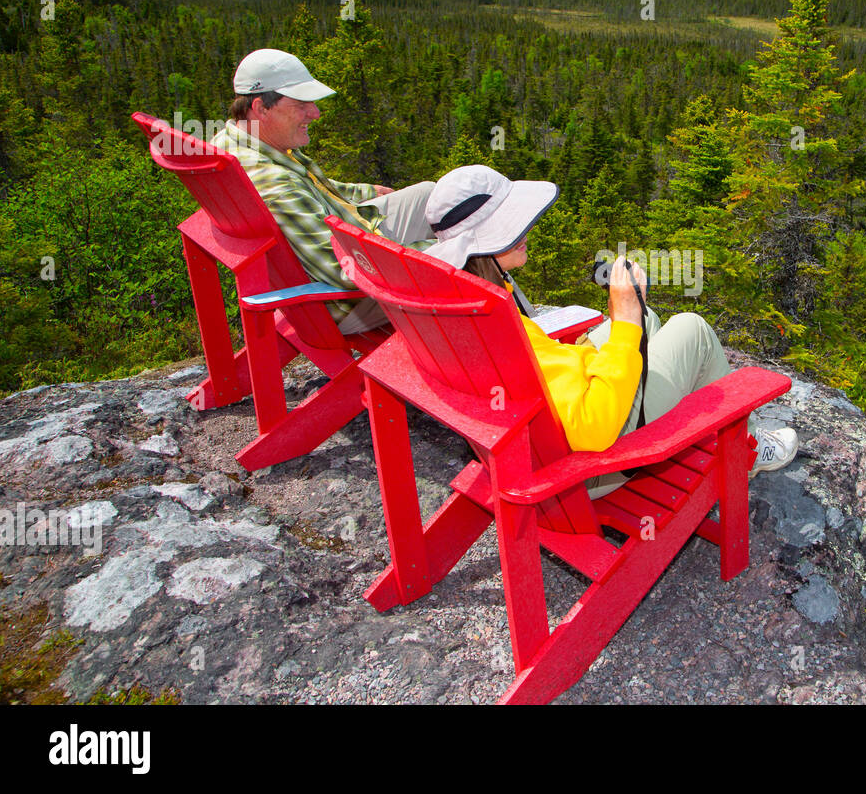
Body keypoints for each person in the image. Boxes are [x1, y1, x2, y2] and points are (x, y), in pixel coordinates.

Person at [421, 164, 799, 494]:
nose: (526, 229)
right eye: (509, 225)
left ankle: (686, 415)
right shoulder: (500, 322)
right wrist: (624, 319)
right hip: (582, 470)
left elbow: (542, 370)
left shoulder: (460, 304)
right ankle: (745, 450)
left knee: (648, 321)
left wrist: (604, 338)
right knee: (691, 329)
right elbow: (593, 428)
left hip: (531, 442)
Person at [210, 48, 436, 333]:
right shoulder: (275, 184)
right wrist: (445, 252)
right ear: (260, 108)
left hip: (348, 240)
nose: (314, 114)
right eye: (300, 104)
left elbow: (315, 188)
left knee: (431, 196)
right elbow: (347, 272)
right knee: (477, 255)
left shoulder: (235, 141)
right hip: (346, 300)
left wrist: (366, 191)